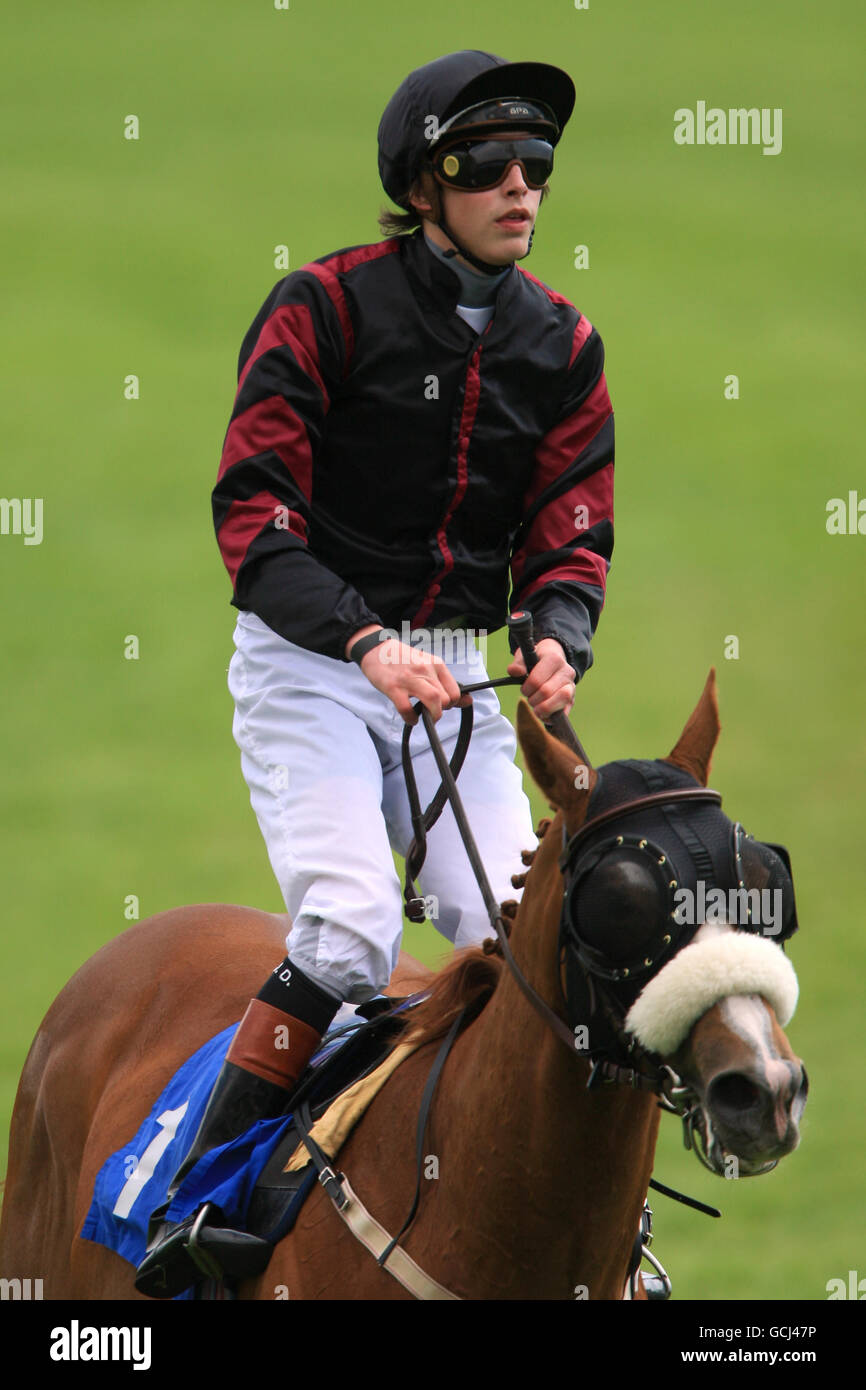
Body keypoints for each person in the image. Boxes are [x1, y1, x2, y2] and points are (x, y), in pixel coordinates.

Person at [136, 48, 614, 1298]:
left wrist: (558, 626)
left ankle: (581, 1241)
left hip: (458, 684)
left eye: (538, 166)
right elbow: (254, 519)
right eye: (489, 165)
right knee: (348, 928)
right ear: (421, 182)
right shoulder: (321, 307)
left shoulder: (563, 345)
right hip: (312, 667)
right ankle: (200, 1205)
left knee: (523, 949)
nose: (521, 187)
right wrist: (364, 641)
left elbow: (570, 525)